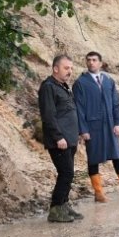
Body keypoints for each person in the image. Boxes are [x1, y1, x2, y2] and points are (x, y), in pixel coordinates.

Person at [73, 50, 119, 201]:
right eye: (88, 60)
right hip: (92, 127)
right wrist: (83, 130)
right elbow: (79, 108)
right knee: (93, 159)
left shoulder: (109, 81)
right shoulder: (80, 83)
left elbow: (116, 104)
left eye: (94, 60)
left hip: (110, 126)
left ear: (100, 63)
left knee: (117, 157)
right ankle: (98, 193)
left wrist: (118, 123)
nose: (91, 62)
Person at [37, 54, 84, 223]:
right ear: (55, 68)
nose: (69, 71)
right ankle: (56, 209)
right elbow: (48, 115)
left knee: (69, 174)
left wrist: (76, 134)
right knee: (66, 173)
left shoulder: (63, 87)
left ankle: (63, 206)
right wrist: (58, 137)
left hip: (69, 139)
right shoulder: (48, 87)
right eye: (66, 68)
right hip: (59, 141)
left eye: (71, 68)